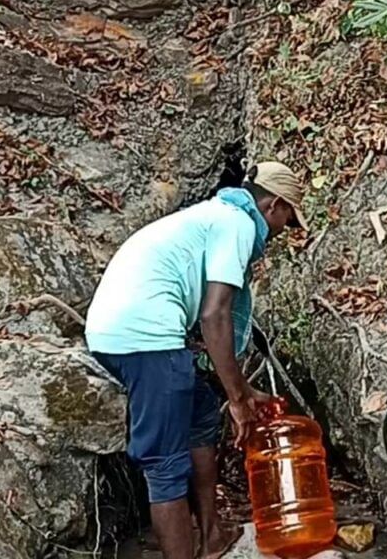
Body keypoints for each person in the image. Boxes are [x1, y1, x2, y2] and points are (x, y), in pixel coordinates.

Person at [84, 161, 307, 559]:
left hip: (129, 330)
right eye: (287, 220)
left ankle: (212, 536)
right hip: (144, 338)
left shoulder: (212, 216)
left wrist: (239, 388)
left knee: (202, 412)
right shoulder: (237, 223)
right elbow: (214, 314)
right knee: (165, 465)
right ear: (273, 206)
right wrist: (238, 401)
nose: (279, 233)